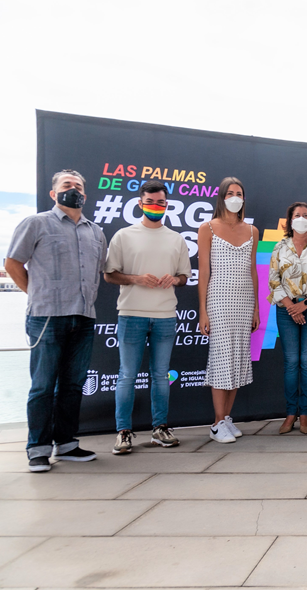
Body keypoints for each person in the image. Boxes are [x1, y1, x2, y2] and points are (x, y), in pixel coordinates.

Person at [5, 170, 107, 472]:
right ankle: (37, 448)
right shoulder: (36, 224)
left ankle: (66, 443)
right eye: (66, 185)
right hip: (47, 317)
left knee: (73, 384)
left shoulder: (95, 232)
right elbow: (12, 262)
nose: (72, 189)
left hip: (84, 316)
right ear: (54, 193)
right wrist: (37, 294)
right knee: (43, 386)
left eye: (78, 186)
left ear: (85, 195)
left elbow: (101, 270)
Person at [103, 180, 192, 455]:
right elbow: (109, 274)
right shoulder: (123, 235)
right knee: (127, 375)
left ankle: (160, 428)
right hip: (131, 314)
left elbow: (184, 277)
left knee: (160, 377)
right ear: (140, 204)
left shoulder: (175, 238)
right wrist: (136, 278)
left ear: (167, 205)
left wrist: (173, 279)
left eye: (161, 203)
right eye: (151, 202)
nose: (156, 207)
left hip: (165, 315)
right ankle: (124, 432)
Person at [197, 177, 259, 443]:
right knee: (222, 359)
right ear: (221, 197)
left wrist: (256, 307)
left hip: (244, 302)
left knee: (237, 360)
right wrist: (203, 310)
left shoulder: (252, 231)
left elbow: (253, 270)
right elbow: (204, 271)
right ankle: (216, 423)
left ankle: (226, 418)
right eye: (230, 193)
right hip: (218, 299)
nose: (235, 197)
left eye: (239, 193)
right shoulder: (207, 228)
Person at [268, 201, 307, 435]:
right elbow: (273, 281)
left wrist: (304, 305)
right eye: (297, 215)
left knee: (306, 362)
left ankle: (305, 414)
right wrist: (291, 307)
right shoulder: (279, 247)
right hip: (286, 311)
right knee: (291, 362)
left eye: (306, 215)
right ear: (290, 220)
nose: (302, 218)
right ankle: (290, 414)